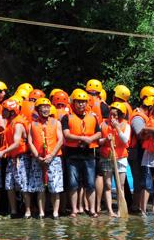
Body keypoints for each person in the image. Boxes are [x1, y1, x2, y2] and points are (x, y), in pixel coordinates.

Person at [62, 89, 100, 217]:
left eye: (83, 102)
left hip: (88, 154)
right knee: (73, 184)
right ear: (73, 102)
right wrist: (82, 138)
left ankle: (92, 209)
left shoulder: (93, 117)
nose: (81, 104)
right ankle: (74, 210)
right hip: (72, 154)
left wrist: (90, 139)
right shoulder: (67, 117)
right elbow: (66, 134)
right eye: (79, 102)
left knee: (90, 183)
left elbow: (99, 133)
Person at [28, 97, 65, 218]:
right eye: (43, 107)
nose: (46, 109)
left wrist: (51, 155)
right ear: (38, 109)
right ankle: (41, 212)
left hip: (53, 158)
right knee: (40, 188)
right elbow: (30, 142)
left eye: (47, 107)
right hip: (38, 159)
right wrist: (37, 156)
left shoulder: (56, 122)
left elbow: (60, 140)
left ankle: (55, 212)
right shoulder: (32, 124)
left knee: (55, 187)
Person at [97, 102, 130, 217]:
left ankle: (121, 209)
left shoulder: (126, 125)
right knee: (108, 184)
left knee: (120, 185)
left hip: (121, 158)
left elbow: (126, 140)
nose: (112, 118)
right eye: (111, 115)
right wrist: (106, 139)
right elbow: (98, 142)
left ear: (121, 116)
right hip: (107, 157)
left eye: (115, 115)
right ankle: (110, 211)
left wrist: (117, 128)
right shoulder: (103, 124)